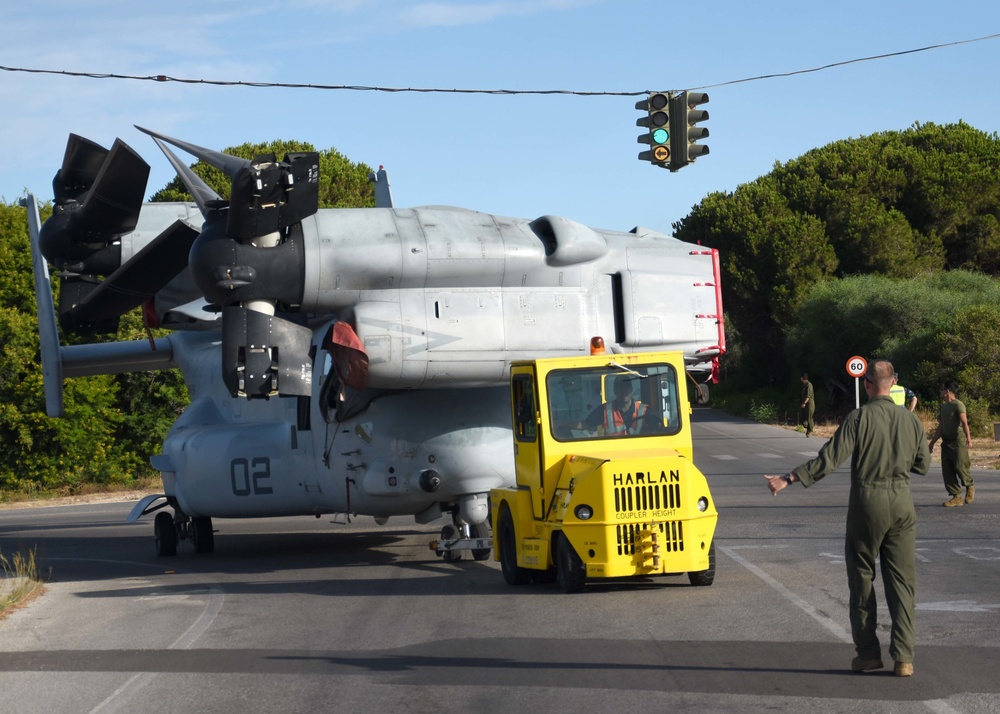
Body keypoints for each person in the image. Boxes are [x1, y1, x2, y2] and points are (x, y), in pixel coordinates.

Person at [764, 359, 929, 678]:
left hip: (868, 501)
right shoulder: (911, 420)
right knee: (903, 584)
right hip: (902, 502)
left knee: (862, 578)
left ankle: (868, 654)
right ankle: (904, 658)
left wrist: (790, 477)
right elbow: (922, 464)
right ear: (892, 384)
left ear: (867, 384)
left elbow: (829, 460)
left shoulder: (859, 417)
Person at [928, 381, 974, 507]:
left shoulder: (958, 405)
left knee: (960, 466)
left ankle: (969, 486)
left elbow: (964, 423)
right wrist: (932, 443)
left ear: (947, 391)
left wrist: (968, 439)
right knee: (947, 470)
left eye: (942, 389)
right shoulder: (943, 407)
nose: (940, 392)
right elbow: (941, 426)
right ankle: (956, 496)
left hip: (957, 440)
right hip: (946, 441)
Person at [576, 375, 647, 436]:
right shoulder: (605, 410)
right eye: (620, 388)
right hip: (613, 451)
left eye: (626, 388)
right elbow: (584, 424)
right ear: (615, 391)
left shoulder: (644, 410)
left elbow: (657, 425)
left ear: (631, 390)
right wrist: (565, 425)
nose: (624, 392)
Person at [799, 372, 815, 437]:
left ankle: (810, 431)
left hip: (809, 404)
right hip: (804, 404)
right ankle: (807, 426)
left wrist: (804, 403)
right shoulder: (803, 385)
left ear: (802, 378)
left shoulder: (809, 385)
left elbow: (808, 396)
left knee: (809, 417)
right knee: (802, 417)